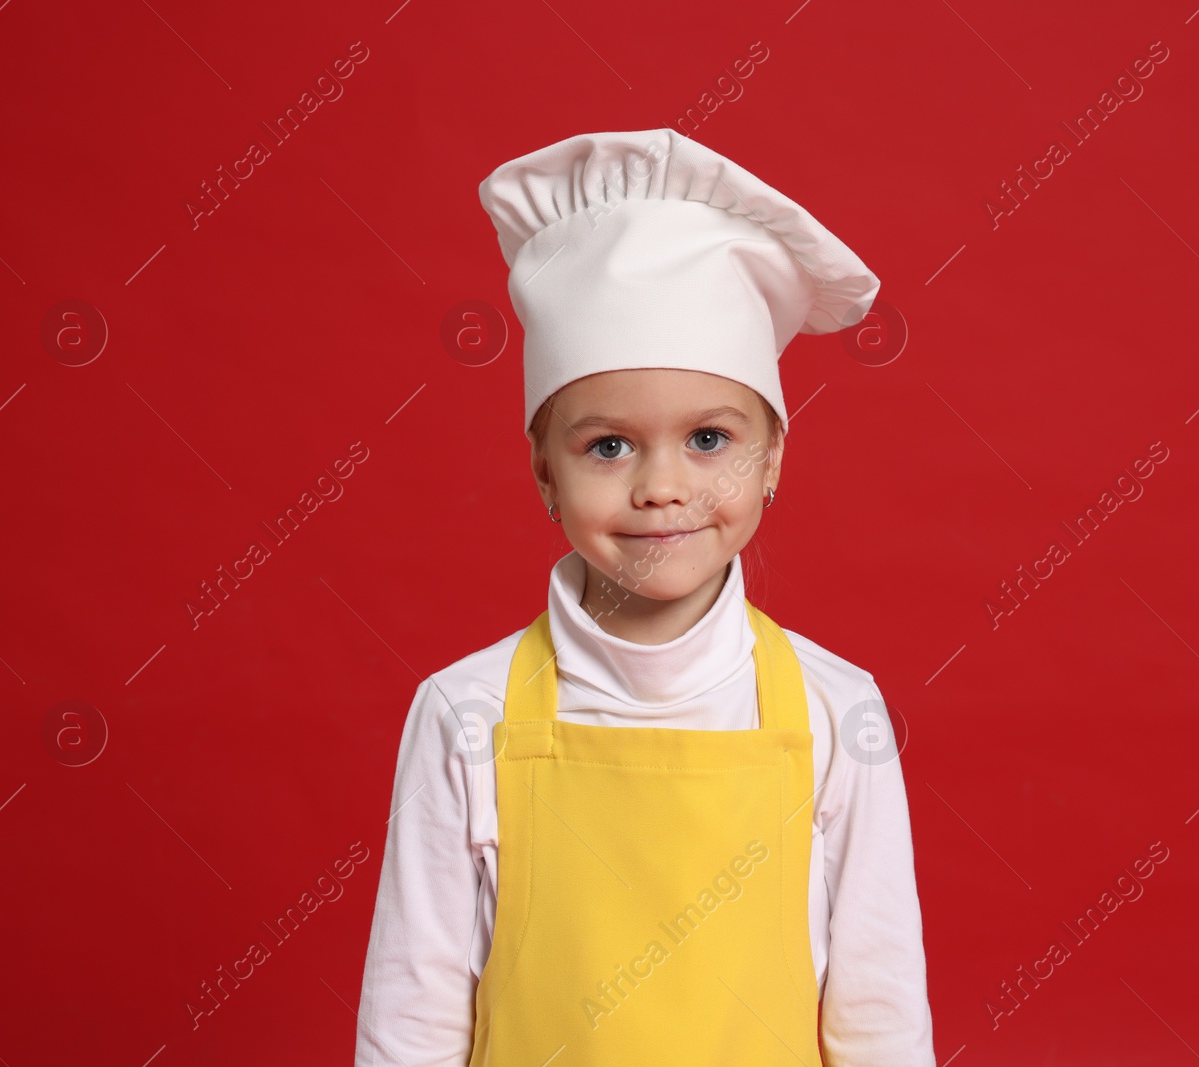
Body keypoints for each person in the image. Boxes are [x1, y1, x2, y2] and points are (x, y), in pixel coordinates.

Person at [354, 127, 934, 1066]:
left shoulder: (838, 710)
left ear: (774, 456)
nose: (662, 486)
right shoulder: (465, 713)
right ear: (544, 470)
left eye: (709, 438)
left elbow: (879, 1014)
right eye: (608, 445)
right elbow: (412, 1014)